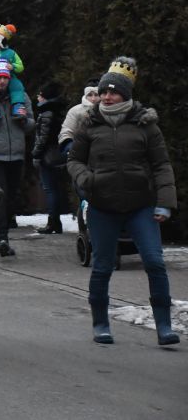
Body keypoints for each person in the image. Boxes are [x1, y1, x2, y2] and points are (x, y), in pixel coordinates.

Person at [67, 57, 179, 346]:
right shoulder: (89, 124)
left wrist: (164, 202)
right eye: (103, 91)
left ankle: (164, 326)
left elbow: (161, 165)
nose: (106, 96)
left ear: (126, 95)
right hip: (103, 207)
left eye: (113, 91)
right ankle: (101, 323)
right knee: (103, 265)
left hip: (140, 206)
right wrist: (85, 179)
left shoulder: (146, 125)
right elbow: (74, 160)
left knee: (154, 262)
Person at [0, 63, 35, 257]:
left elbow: (30, 125)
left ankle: (4, 234)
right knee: (0, 197)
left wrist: (23, 120)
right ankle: (1, 239)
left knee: (11, 196)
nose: (2, 81)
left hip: (16, 154)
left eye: (5, 78)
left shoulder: (21, 98)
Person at [31, 81, 68, 234]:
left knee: (50, 189)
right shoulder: (57, 111)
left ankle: (52, 222)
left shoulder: (46, 113)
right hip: (55, 154)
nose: (38, 97)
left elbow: (43, 137)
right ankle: (55, 222)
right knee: (54, 189)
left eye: (40, 95)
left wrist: (36, 153)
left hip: (48, 156)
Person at [58, 78, 101, 152]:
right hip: (79, 149)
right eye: (90, 95)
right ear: (85, 95)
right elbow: (66, 131)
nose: (93, 99)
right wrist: (69, 146)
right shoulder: (75, 111)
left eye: (96, 95)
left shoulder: (108, 109)